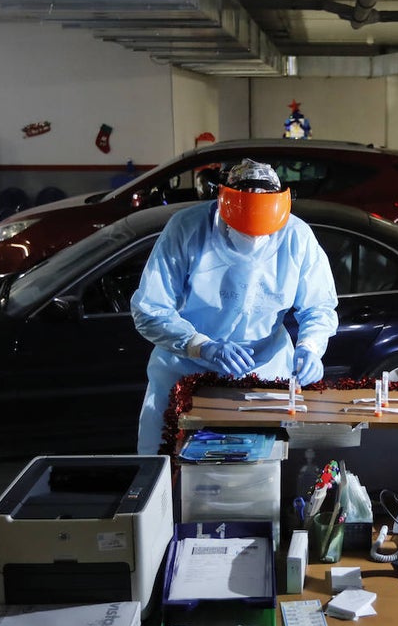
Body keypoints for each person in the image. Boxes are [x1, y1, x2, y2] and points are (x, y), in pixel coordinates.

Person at [130, 159, 339, 455]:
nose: (253, 242)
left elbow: (318, 306)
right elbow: (150, 308)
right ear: (222, 203)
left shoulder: (296, 236)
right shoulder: (187, 230)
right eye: (243, 230)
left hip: (265, 372)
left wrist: (310, 347)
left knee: (258, 468)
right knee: (166, 466)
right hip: (184, 368)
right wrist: (201, 346)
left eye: (263, 234)